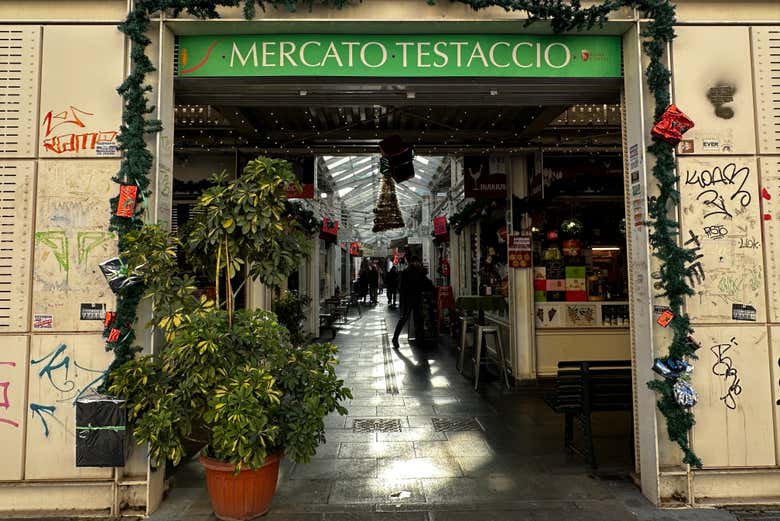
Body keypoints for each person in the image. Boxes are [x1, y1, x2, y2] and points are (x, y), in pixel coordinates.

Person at [392, 256, 432, 348]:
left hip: (409, 299)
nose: (419, 264)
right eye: (418, 262)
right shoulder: (416, 272)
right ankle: (419, 341)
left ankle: (396, 338)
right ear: (414, 262)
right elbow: (425, 284)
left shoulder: (407, 272)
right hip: (414, 299)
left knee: (406, 319)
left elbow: (401, 287)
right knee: (417, 320)